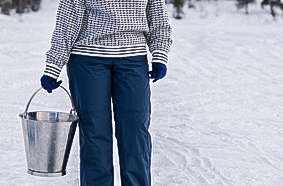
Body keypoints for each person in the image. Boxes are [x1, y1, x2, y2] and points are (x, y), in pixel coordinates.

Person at [40, 0, 172, 185]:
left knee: (135, 131)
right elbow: (67, 21)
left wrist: (159, 53)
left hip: (132, 59)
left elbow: (158, 18)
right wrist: (53, 66)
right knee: (94, 134)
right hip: (87, 59)